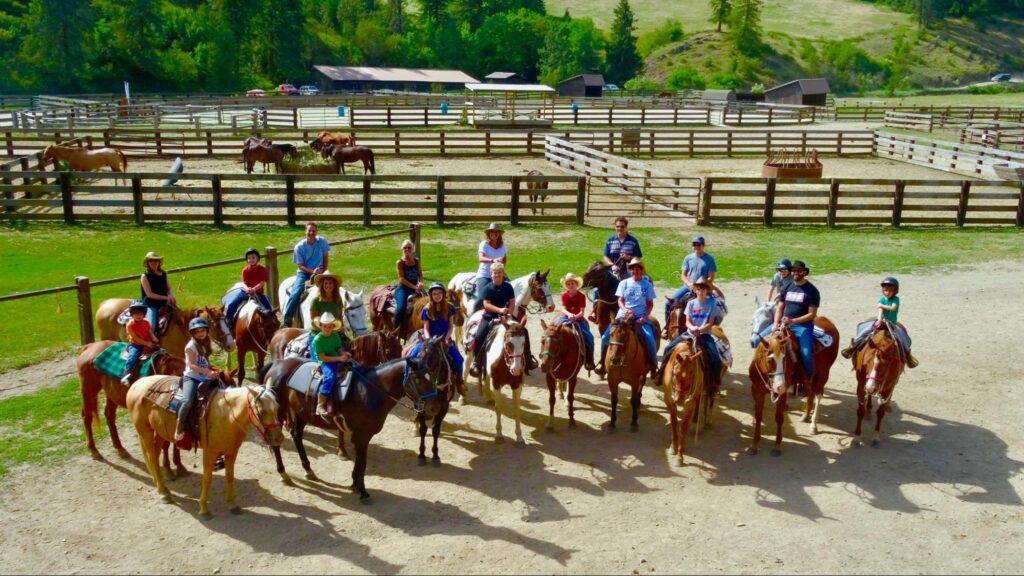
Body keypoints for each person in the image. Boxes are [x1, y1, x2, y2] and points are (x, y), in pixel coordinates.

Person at [596, 258, 658, 379]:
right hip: (622, 316)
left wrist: (644, 318)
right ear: (630, 270)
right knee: (605, 337)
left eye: (638, 268)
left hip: (640, 317)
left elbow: (650, 304)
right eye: (633, 268)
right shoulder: (624, 283)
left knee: (650, 338)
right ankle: (603, 365)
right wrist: (625, 310)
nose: (636, 270)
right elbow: (620, 300)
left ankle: (653, 365)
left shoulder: (647, 285)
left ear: (641, 270)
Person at [658, 278, 722, 389]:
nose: (701, 291)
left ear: (707, 290)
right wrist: (693, 328)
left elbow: (710, 323)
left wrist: (700, 330)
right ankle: (661, 373)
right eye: (698, 289)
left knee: (715, 356)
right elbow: (687, 321)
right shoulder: (691, 303)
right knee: (668, 348)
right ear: (695, 290)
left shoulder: (711, 303)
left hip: (705, 335)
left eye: (703, 289)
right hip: (689, 333)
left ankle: (715, 381)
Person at [841, 277, 918, 368]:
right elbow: (880, 310)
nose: (887, 293)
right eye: (885, 291)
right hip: (881, 321)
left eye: (890, 291)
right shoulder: (882, 299)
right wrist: (879, 319)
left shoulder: (896, 299)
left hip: (891, 323)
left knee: (902, 337)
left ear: (895, 291)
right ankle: (853, 346)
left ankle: (908, 354)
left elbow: (893, 308)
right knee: (866, 331)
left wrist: (881, 306)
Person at [175, 317, 223, 450]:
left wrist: (212, 368)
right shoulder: (190, 346)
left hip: (204, 375)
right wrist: (207, 373)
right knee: (187, 401)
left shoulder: (205, 343)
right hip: (192, 377)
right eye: (197, 332)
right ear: (193, 334)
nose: (200, 333)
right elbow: (191, 365)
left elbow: (204, 361)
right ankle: (179, 427)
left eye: (202, 331)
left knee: (223, 388)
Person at [411, 282, 466, 395]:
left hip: (444, 338)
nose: (437, 295)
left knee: (459, 360)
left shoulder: (450, 307)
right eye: (434, 293)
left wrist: (447, 338)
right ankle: (411, 380)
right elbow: (426, 328)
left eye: (439, 293)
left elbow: (451, 326)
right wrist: (429, 340)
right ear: (431, 295)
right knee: (412, 356)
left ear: (443, 294)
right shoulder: (426, 310)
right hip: (430, 339)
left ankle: (460, 381)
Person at [771, 260, 819, 386]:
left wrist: (793, 321)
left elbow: (812, 314)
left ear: (804, 272)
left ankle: (807, 379)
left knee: (806, 353)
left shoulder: (812, 291)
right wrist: (776, 322)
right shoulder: (787, 286)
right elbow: (780, 306)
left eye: (799, 271)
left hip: (803, 326)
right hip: (783, 323)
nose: (795, 273)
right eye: (794, 271)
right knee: (760, 341)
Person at [469, 262, 516, 377]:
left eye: (499, 273)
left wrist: (509, 312)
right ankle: (476, 362)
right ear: (491, 274)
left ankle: (527, 359)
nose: (497, 275)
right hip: (490, 316)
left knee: (522, 332)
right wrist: (500, 310)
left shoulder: (508, 287)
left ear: (503, 274)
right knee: (479, 336)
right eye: (495, 273)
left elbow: (512, 301)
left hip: (506, 316)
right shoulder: (488, 288)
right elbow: (486, 304)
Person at [283, 222, 331, 328]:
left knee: (334, 287)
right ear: (305, 232)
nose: (311, 233)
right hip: (304, 274)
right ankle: (287, 320)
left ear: (316, 232)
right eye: (309, 230)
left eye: (314, 230)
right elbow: (300, 266)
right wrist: (313, 272)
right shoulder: (299, 247)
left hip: (320, 272)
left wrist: (325, 270)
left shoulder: (322, 241)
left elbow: (325, 256)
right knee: (295, 293)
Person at [665, 235, 717, 325]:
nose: (696, 246)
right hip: (688, 286)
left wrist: (700, 286)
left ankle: (712, 328)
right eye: (694, 244)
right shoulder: (688, 258)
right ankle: (668, 328)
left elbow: (711, 277)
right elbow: (683, 275)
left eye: (699, 244)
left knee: (714, 304)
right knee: (668, 303)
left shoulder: (709, 259)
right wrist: (689, 284)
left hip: (703, 287)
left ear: (703, 245)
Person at [313, 312, 353, 419]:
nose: (327, 329)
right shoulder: (318, 340)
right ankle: (320, 404)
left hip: (336, 358)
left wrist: (343, 353)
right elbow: (322, 357)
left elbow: (338, 348)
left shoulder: (335, 336)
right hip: (326, 362)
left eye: (329, 326)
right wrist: (339, 358)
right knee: (330, 378)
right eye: (324, 326)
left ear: (333, 327)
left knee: (354, 367)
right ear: (320, 326)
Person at [553, 273, 595, 371]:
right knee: (551, 331)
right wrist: (569, 315)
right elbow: (563, 309)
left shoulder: (581, 296)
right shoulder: (564, 295)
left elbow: (582, 311)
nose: (571, 285)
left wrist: (575, 316)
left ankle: (589, 360)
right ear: (566, 286)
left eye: (573, 283)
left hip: (578, 318)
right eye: (569, 284)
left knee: (589, 337)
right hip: (565, 317)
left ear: (576, 284)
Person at [224, 248, 273, 326]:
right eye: (249, 258)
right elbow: (243, 283)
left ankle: (271, 321)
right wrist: (247, 289)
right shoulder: (245, 270)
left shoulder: (262, 269)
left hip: (258, 293)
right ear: (247, 260)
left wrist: (254, 289)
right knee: (231, 304)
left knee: (269, 307)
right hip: (245, 292)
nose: (251, 260)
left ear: (258, 258)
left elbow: (262, 283)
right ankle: (229, 321)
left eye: (253, 257)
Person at [121, 299, 159, 385]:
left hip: (147, 342)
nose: (138, 316)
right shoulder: (130, 325)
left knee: (160, 352)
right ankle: (127, 373)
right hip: (136, 344)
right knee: (133, 356)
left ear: (144, 314)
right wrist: (146, 343)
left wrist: (154, 338)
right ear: (132, 314)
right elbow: (135, 337)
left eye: (141, 314)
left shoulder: (146, 323)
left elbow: (150, 332)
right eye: (136, 314)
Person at [307, 270, 343, 360]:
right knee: (319, 363)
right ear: (322, 285)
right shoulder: (316, 301)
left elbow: (339, 318)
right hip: (318, 335)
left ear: (334, 285)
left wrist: (340, 327)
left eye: (330, 283)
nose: (328, 286)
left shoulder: (338, 300)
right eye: (325, 283)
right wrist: (328, 330)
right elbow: (313, 321)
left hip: (334, 335)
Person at [473, 223, 507, 314]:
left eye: (497, 232)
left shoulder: (503, 246)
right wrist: (493, 260)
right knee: (481, 298)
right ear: (488, 233)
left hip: (498, 274)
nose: (494, 234)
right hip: (485, 275)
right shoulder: (484, 244)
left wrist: (503, 270)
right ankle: (472, 317)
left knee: (511, 291)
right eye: (492, 232)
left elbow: (504, 259)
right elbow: (481, 258)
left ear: (499, 234)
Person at [140, 251, 175, 331]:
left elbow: (169, 288)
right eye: (151, 261)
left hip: (165, 302)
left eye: (156, 260)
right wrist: (166, 298)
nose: (153, 262)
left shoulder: (163, 273)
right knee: (151, 326)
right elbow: (149, 294)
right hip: (151, 304)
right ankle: (149, 341)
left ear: (159, 262)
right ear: (147, 263)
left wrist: (172, 296)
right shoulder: (145, 276)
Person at [393, 239, 424, 331]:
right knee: (401, 309)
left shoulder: (416, 260)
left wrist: (420, 283)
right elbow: (402, 279)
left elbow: (420, 274)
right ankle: (394, 331)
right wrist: (415, 287)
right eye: (404, 248)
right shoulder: (400, 263)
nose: (407, 249)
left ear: (413, 249)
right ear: (402, 249)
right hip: (403, 289)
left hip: (416, 288)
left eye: (409, 247)